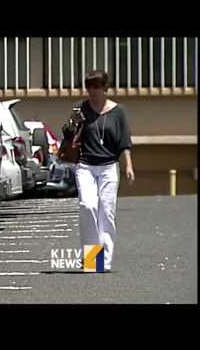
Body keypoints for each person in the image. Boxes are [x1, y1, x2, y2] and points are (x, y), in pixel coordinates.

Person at [73, 70, 135, 273]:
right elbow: (71, 137)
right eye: (89, 87)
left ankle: (104, 261)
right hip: (86, 166)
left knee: (106, 212)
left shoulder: (118, 112)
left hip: (109, 166)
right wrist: (72, 126)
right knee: (88, 206)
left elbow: (124, 141)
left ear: (105, 89)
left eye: (96, 87)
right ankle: (92, 258)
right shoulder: (82, 109)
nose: (92, 91)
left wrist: (128, 165)